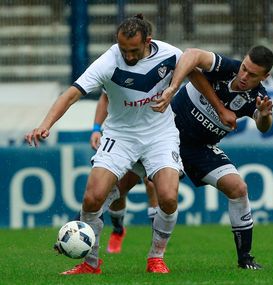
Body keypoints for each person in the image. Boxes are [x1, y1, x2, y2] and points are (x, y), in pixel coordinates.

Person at [25, 14, 233, 275]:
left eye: (133, 51)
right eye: (123, 49)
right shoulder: (108, 61)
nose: (128, 56)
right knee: (93, 197)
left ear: (147, 41)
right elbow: (71, 94)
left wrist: (221, 109)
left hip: (160, 134)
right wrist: (46, 123)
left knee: (168, 198)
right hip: (121, 135)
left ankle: (156, 257)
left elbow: (196, 75)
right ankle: (90, 263)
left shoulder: (169, 54)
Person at [156, 45, 273, 269]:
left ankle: (245, 258)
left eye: (252, 75)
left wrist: (265, 116)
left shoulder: (258, 97)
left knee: (238, 188)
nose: (244, 76)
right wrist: (175, 88)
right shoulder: (226, 67)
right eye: (244, 68)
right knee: (120, 185)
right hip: (164, 135)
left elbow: (263, 125)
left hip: (199, 147)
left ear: (265, 77)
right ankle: (83, 227)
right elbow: (190, 55)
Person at [90, 91, 158, 253]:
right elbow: (105, 96)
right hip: (122, 136)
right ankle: (118, 229)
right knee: (116, 189)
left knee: (153, 183)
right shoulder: (119, 69)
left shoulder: (164, 70)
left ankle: (157, 247)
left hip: (152, 136)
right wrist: (96, 128)